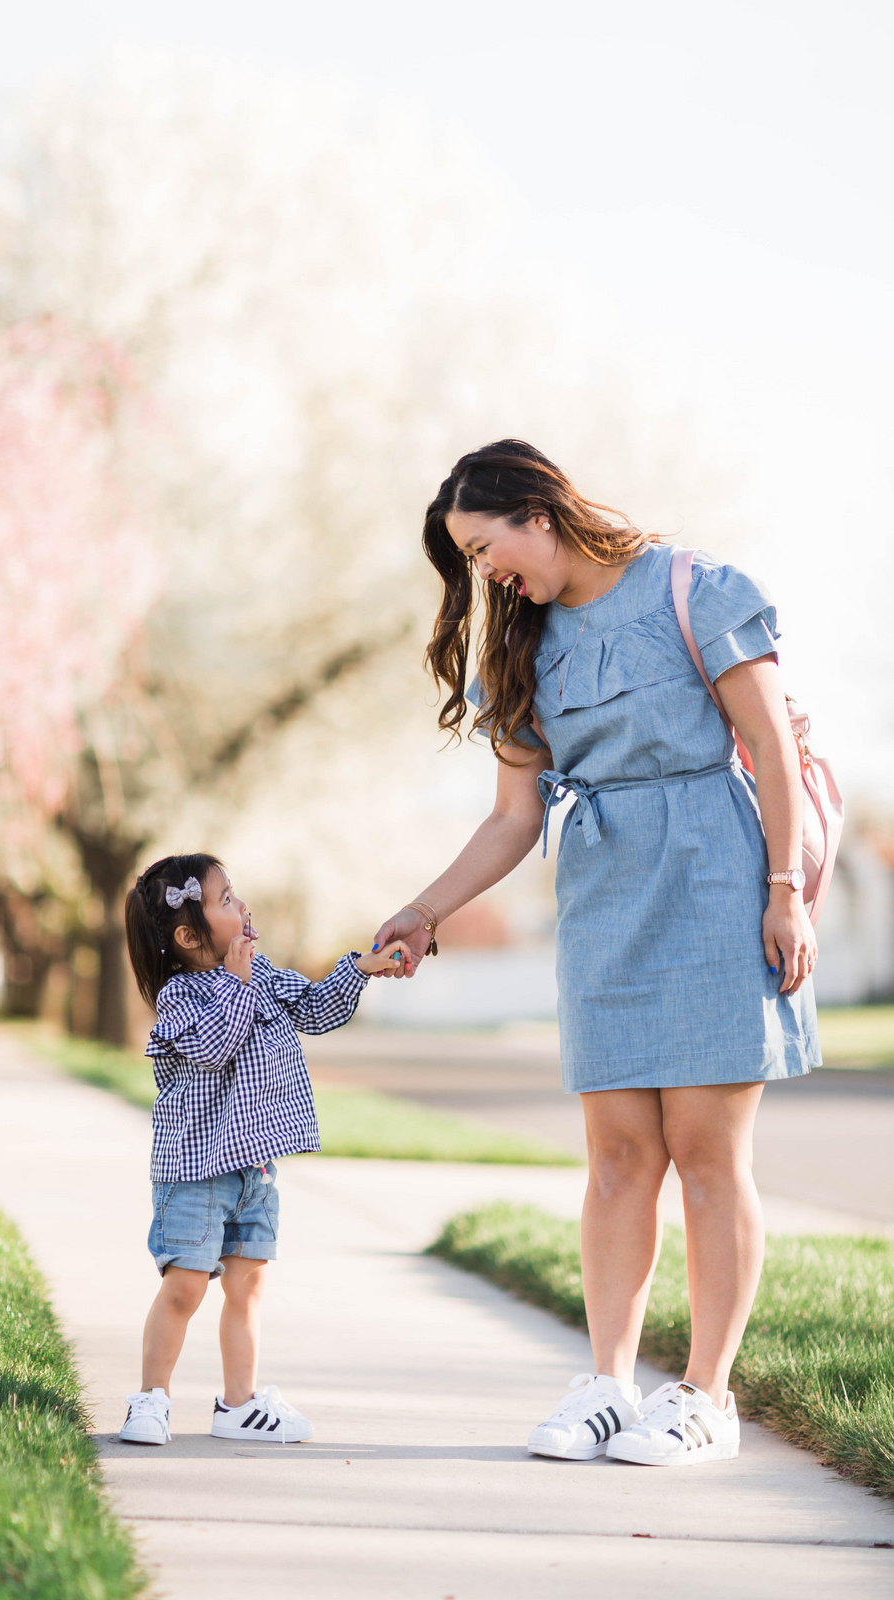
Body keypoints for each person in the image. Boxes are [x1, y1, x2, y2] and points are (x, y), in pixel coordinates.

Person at [373, 440, 820, 1468]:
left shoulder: (693, 590)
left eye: (487, 549)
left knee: (706, 1157)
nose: (488, 577)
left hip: (716, 883)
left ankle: (706, 1394)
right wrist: (423, 909)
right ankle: (608, 1383)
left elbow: (772, 744)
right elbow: (508, 818)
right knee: (618, 1159)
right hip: (604, 904)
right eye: (470, 563)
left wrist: (783, 892)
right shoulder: (522, 651)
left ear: (536, 509)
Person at [118, 851, 410, 1446]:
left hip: (252, 1167)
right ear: (186, 933)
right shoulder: (182, 997)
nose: (241, 904)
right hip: (195, 1170)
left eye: (235, 893)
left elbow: (314, 1009)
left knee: (248, 1285)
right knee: (185, 1285)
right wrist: (238, 981)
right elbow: (214, 1048)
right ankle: (151, 1400)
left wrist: (362, 968)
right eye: (225, 900)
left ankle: (239, 1403)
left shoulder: (263, 972)